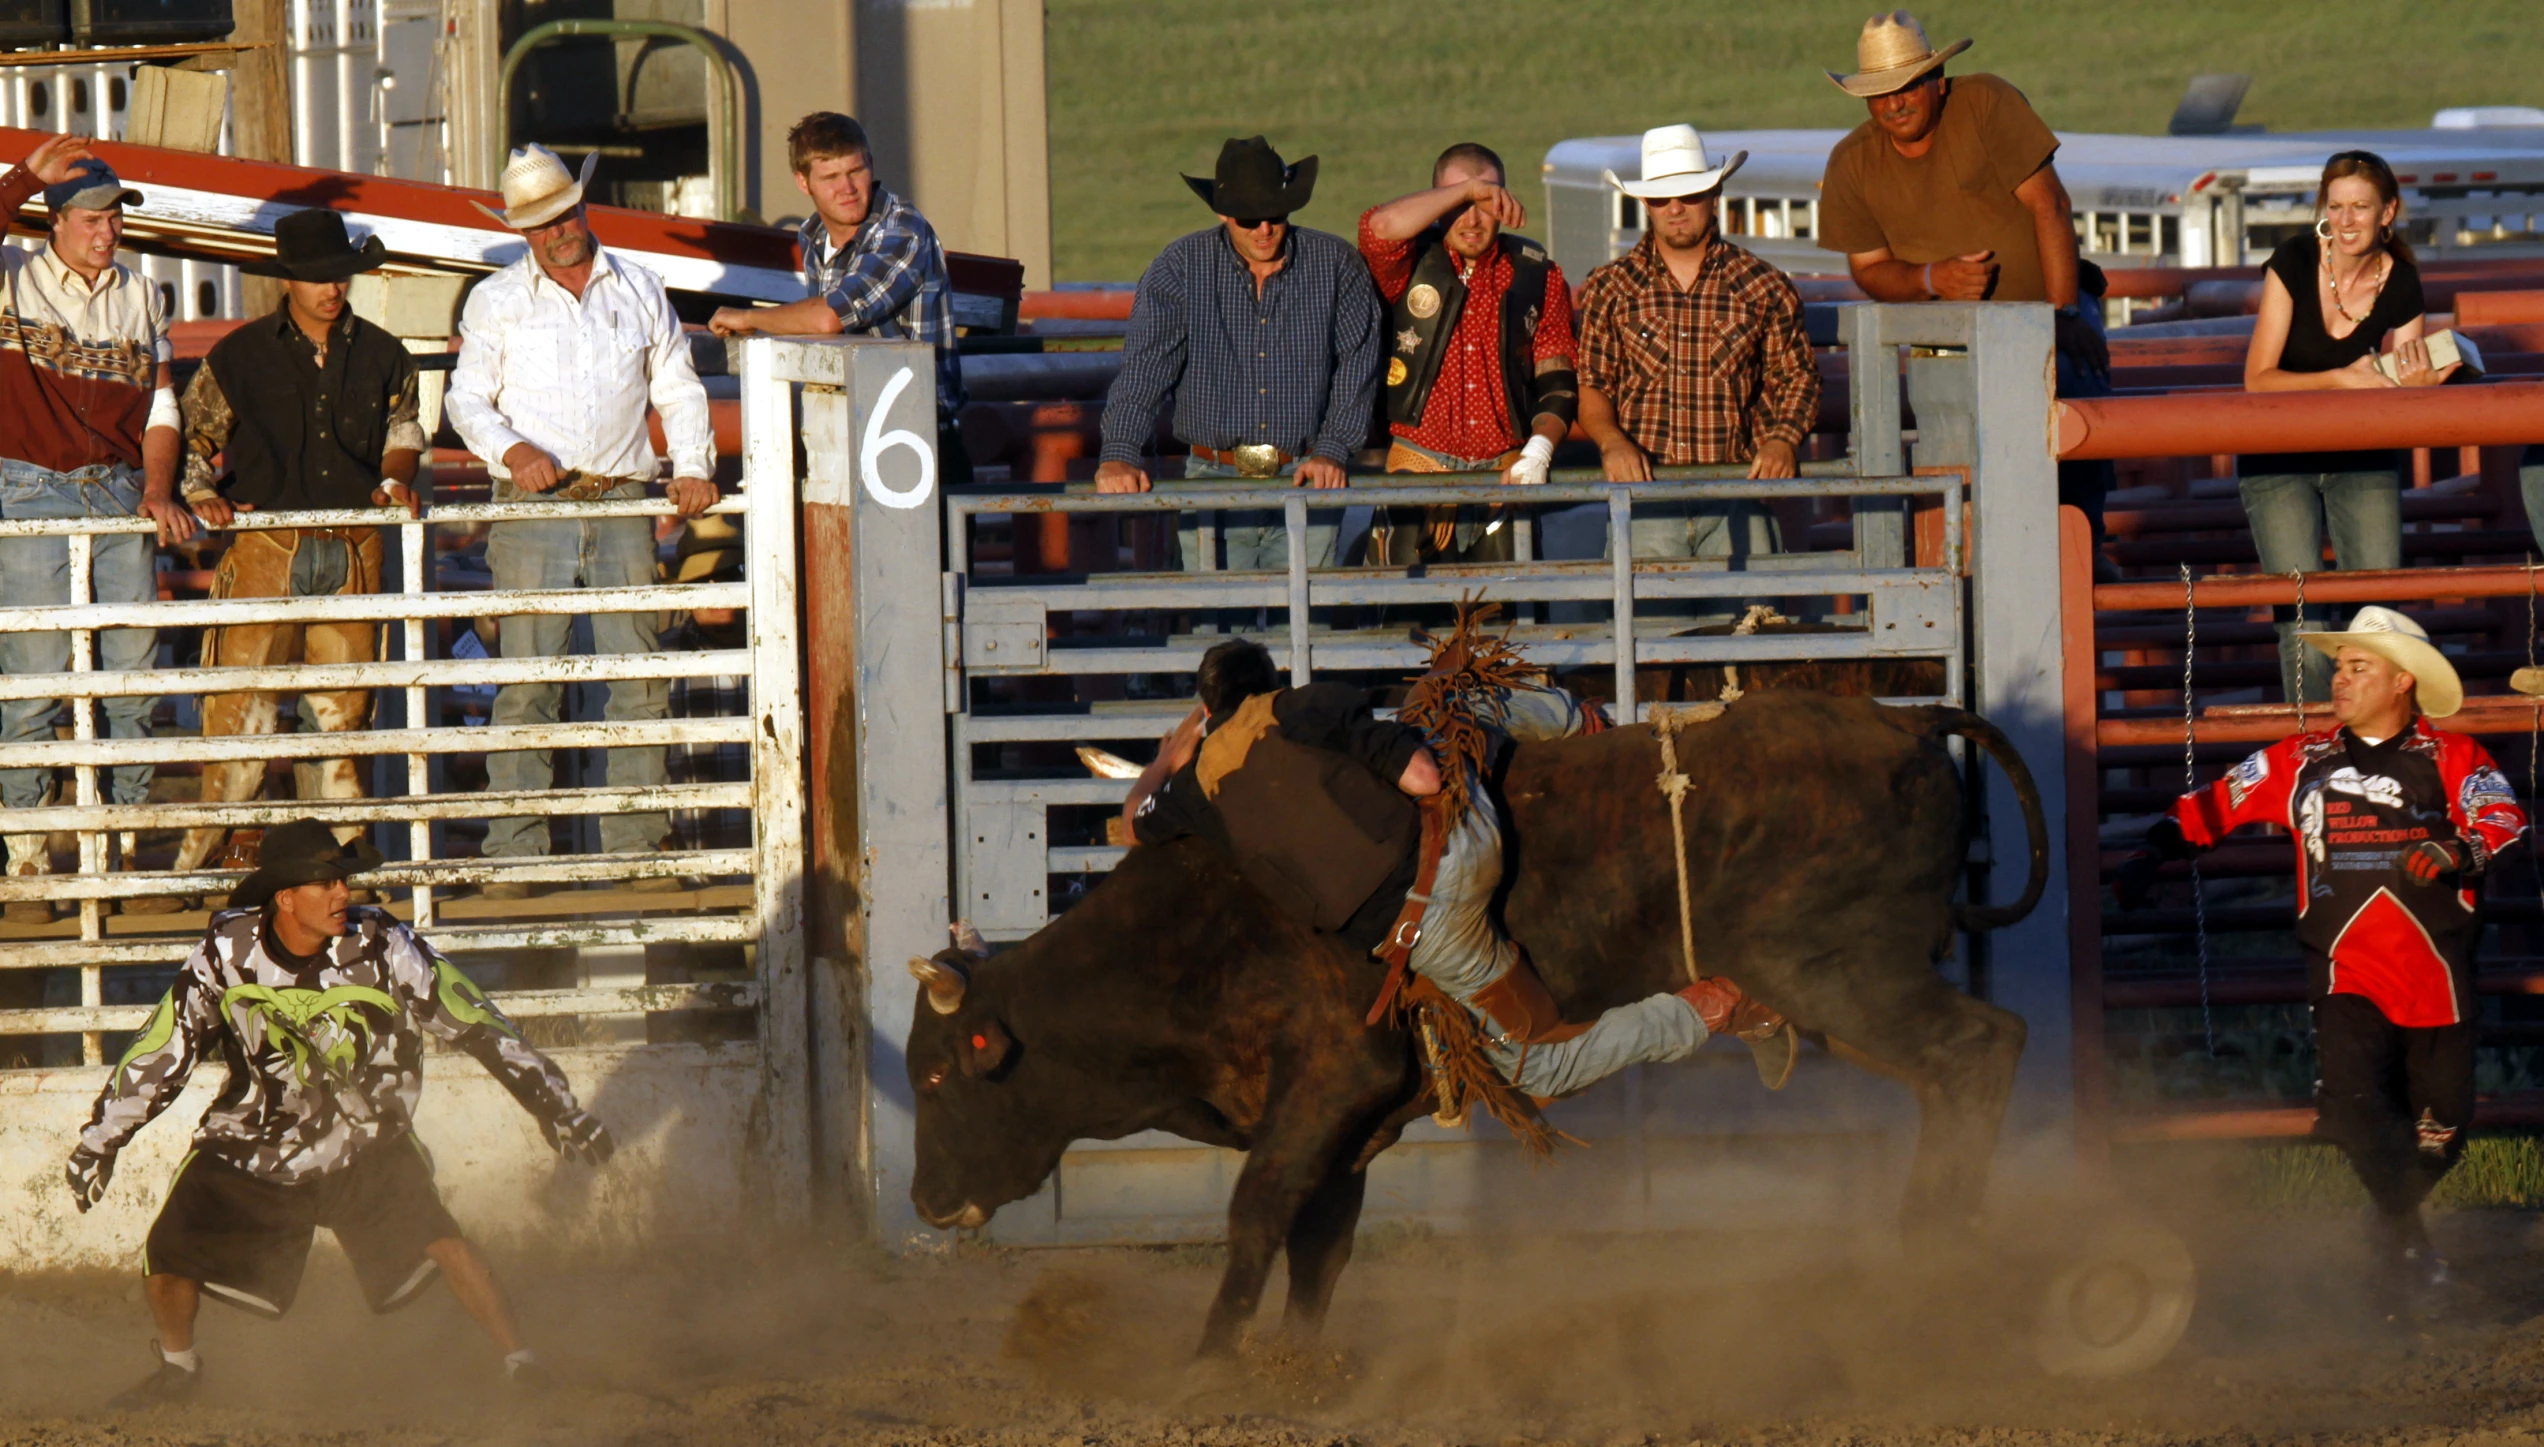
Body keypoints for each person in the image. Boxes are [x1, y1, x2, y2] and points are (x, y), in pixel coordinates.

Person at [65, 819, 616, 1404]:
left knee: (445, 1244)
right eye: (326, 883)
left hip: (364, 1135)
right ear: (284, 897)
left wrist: (553, 1106)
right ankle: (180, 1367)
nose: (343, 895)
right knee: (167, 1261)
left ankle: (521, 1361)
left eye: (343, 881)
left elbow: (475, 1021)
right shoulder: (226, 952)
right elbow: (166, 1049)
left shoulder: (380, 943)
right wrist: (103, 1137)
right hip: (254, 1139)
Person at [1121, 639, 1785, 1103]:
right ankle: (1583, 724)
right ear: (1271, 682)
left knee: (1539, 1064)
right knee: (1450, 702)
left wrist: (1168, 757)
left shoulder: (1190, 793)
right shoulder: (1303, 705)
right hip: (1461, 845)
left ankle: (1718, 1006)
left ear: (1206, 714)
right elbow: (1421, 773)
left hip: (1426, 934)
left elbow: (1132, 821)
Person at [2115, 609, 2523, 1318]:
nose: (2340, 677)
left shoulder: (2456, 757)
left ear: (2403, 680)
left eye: (2358, 666)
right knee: (2354, 1109)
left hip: (2438, 977)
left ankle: (2393, 1234)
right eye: (2338, 666)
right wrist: (2156, 848)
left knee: (2444, 1127)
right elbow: (2214, 803)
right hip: (2343, 973)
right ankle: (2403, 1250)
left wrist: (2459, 851)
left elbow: (2504, 820)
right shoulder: (2297, 758)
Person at [446, 145, 718, 893]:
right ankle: (516, 852)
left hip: (624, 496)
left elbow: (677, 383)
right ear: (523, 231)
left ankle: (635, 845)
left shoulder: (639, 288)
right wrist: (513, 449)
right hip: (535, 502)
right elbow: (465, 401)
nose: (557, 231)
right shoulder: (496, 300)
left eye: (563, 214)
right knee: (531, 679)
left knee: (635, 674)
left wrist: (691, 463)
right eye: (540, 223)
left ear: (581, 208)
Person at [167, 208, 427, 886]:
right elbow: (194, 434)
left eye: (338, 275)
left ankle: (334, 865)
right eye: (316, 278)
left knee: (342, 717)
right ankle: (212, 857)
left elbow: (404, 429)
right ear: (290, 283)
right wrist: (201, 494)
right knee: (239, 711)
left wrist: (396, 477)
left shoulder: (382, 354)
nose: (330, 288)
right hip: (266, 544)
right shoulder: (240, 354)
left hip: (350, 542)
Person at [1812, 11, 2116, 539]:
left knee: (2071, 422)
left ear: (1938, 81)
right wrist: (1932, 279)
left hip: (2043, 317)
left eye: (1907, 86)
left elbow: (2050, 206)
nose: (1894, 103)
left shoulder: (1985, 103)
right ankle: (1966, 570)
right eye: (1880, 93)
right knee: (1952, 461)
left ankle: (2082, 548)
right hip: (1945, 342)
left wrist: (2061, 315)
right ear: (1865, 100)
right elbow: (1868, 270)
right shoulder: (1851, 163)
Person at [0, 137, 196, 919]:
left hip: (116, 490)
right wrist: (23, 177)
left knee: (130, 675)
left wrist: (156, 487)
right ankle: (25, 859)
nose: (107, 230)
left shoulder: (141, 297)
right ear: (57, 220)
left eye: (114, 217)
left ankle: (117, 844)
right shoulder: (12, 280)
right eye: (92, 216)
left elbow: (160, 404)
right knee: (34, 677)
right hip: (28, 484)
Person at [1095, 137, 1384, 574]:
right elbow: (1145, 370)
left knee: (1310, 628)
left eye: (1276, 215)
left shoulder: (1336, 263)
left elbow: (1358, 365)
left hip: (1308, 471)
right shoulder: (1180, 266)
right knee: (1218, 627)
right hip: (1213, 476)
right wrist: (1119, 452)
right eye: (1250, 218)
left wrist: (1333, 449)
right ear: (1223, 213)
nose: (1264, 229)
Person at [2240, 151, 2453, 705]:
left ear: (2389, 212)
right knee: (2301, 619)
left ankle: (2370, 740)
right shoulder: (2291, 260)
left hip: (2362, 455)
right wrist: (2338, 378)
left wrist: (2422, 389)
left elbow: (2398, 379)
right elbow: (2257, 380)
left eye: (2361, 207)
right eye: (2336, 207)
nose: (2347, 220)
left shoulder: (2402, 280)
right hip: (2279, 455)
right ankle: (2312, 752)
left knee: (2379, 612)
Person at [1576, 125, 1818, 578]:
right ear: (1644, 203)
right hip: (1645, 495)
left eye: (1690, 194)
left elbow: (1798, 376)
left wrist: (1783, 439)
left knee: (1750, 633)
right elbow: (1592, 384)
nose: (1675, 209)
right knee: (1646, 640)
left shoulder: (1763, 285)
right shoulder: (1611, 288)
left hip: (1738, 493)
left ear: (1714, 192)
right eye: (1661, 198)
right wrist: (1613, 444)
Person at [706, 111, 969, 484]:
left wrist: (748, 319)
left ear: (871, 166)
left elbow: (830, 318)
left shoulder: (903, 231)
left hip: (917, 442)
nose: (847, 188)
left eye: (855, 171)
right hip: (843, 439)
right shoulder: (812, 235)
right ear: (803, 182)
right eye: (830, 177)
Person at [1357, 141, 1579, 566]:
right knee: (1406, 621)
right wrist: (1470, 189)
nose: (1473, 218)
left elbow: (1558, 374)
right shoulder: (1408, 261)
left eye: (1487, 201)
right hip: (1418, 466)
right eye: (1461, 200)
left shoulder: (1539, 274)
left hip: (1507, 472)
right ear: (1438, 200)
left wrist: (1539, 451)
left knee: (1509, 620)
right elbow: (1377, 227)